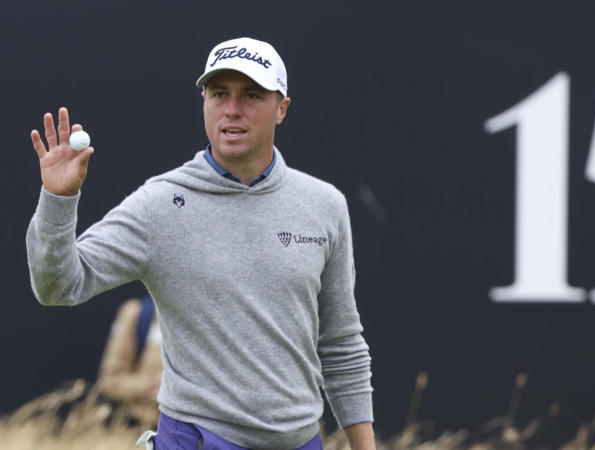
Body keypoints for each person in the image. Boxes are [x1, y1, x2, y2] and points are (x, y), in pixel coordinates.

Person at [26, 37, 375, 450]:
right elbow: (59, 286)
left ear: (282, 108)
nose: (232, 109)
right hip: (195, 440)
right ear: (204, 102)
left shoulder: (325, 205)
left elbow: (341, 345)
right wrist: (58, 201)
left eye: (251, 95)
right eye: (218, 94)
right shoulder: (160, 203)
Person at [97, 294, 162, 427]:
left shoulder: (210, 314)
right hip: (146, 429)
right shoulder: (137, 314)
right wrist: (152, 386)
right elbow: (110, 381)